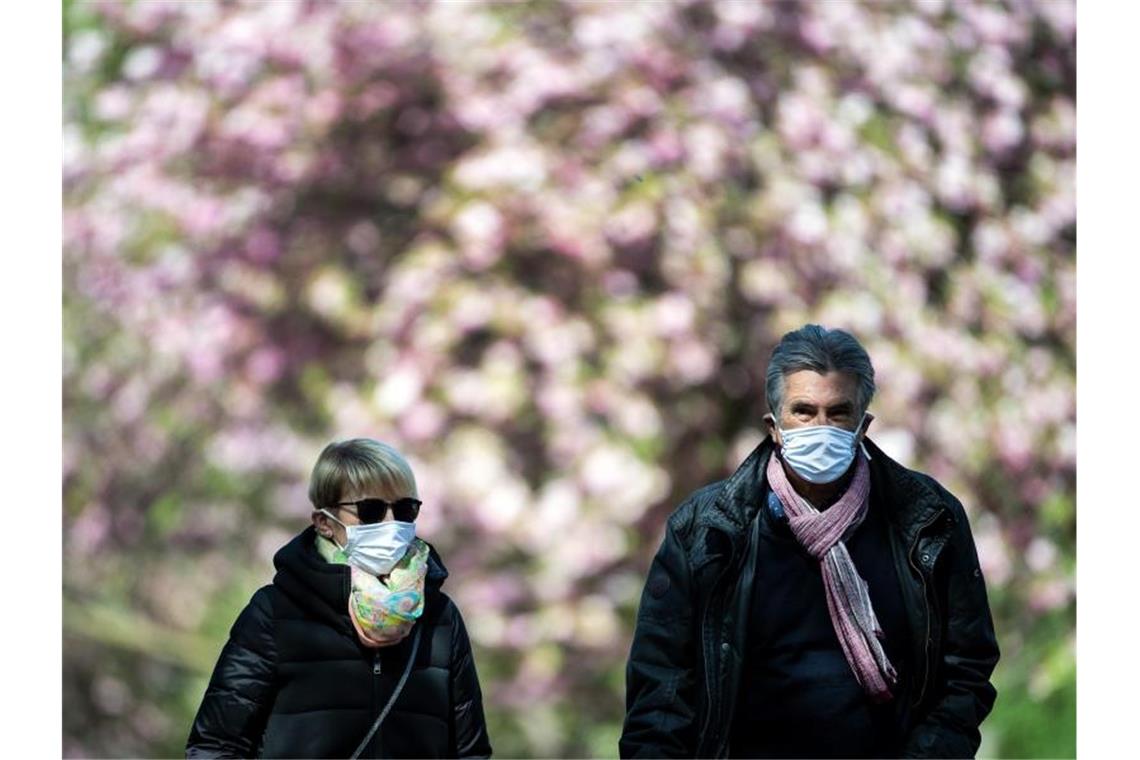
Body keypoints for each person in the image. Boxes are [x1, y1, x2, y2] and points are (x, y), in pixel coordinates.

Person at [620, 324, 999, 759]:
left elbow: (966, 668)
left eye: (838, 413)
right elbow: (661, 691)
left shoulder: (926, 520)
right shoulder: (706, 532)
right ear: (774, 426)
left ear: (863, 425)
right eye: (803, 410)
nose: (821, 427)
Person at [187, 438, 492, 758]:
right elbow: (216, 745)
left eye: (404, 509)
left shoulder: (440, 616)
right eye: (370, 510)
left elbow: (470, 752)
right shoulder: (273, 613)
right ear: (324, 523)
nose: (391, 523)